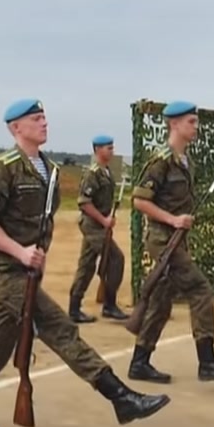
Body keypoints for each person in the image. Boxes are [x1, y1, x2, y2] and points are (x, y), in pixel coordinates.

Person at [0, 100, 170, 427]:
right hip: (4, 267)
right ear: (15, 128)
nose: (44, 123)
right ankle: (120, 396)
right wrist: (21, 252)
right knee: (58, 327)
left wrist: (38, 256)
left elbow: (43, 223)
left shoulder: (48, 170)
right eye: (35, 119)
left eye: (44, 117)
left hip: (27, 270)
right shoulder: (2, 169)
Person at [128, 101, 214, 383]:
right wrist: (173, 220)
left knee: (161, 302)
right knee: (200, 289)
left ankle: (139, 362)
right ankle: (207, 362)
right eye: (191, 121)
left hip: (176, 241)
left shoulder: (187, 162)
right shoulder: (161, 160)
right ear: (174, 124)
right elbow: (140, 200)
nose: (196, 126)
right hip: (162, 239)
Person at [67, 135, 129, 323]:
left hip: (99, 224)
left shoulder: (106, 172)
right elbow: (84, 202)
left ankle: (74, 308)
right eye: (108, 148)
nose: (112, 151)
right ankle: (109, 305)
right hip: (93, 225)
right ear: (97, 150)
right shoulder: (93, 173)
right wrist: (104, 220)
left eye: (112, 147)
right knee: (116, 258)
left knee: (86, 265)